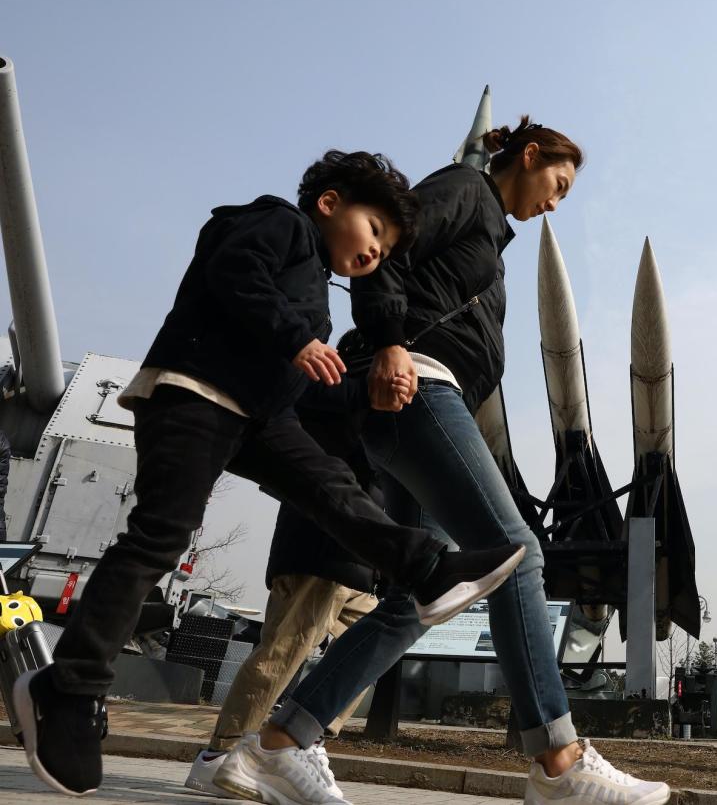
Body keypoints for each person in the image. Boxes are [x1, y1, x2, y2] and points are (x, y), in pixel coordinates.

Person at [12, 150, 526, 798]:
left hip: (259, 411)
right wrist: (297, 339)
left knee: (329, 487)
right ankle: (67, 686)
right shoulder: (275, 223)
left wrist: (364, 393)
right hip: (195, 388)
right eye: (376, 232)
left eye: (389, 247)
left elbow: (307, 395)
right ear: (331, 202)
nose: (377, 254)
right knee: (159, 538)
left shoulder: (315, 288)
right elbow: (235, 273)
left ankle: (428, 570)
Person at [215, 119, 671, 805]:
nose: (556, 201)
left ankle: (279, 744)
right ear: (527, 157)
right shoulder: (466, 189)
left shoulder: (493, 231)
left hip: (424, 396)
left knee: (417, 595)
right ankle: (559, 760)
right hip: (418, 387)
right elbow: (383, 254)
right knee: (515, 554)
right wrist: (392, 344)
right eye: (558, 183)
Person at [184, 378, 386, 799]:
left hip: (366, 554)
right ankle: (218, 758)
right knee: (283, 652)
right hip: (319, 543)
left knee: (365, 657)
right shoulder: (341, 391)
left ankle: (303, 741)